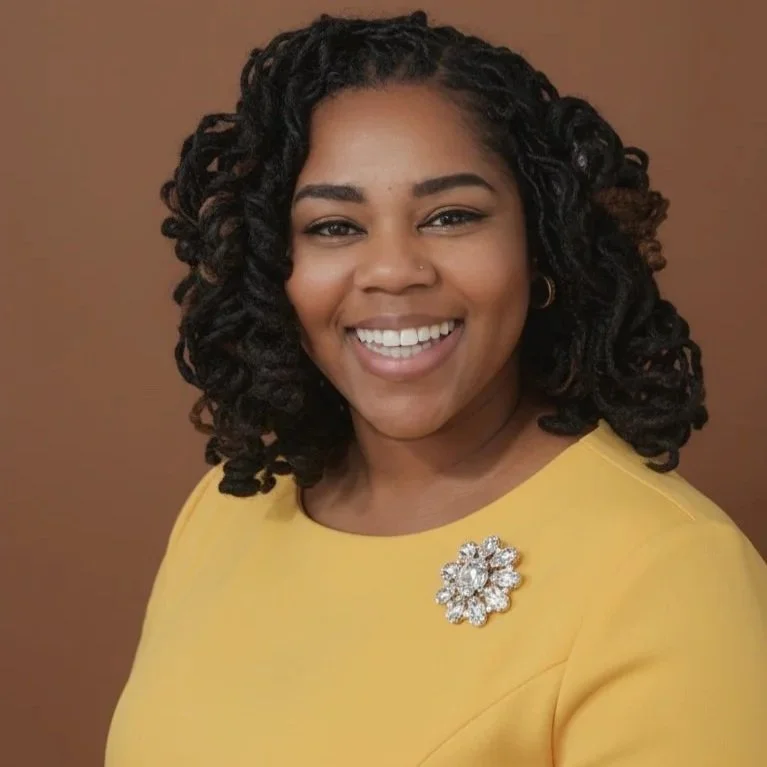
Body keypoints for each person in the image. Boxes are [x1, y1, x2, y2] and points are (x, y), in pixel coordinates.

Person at [105, 10, 767, 766]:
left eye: (450, 216)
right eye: (332, 226)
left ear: (540, 244)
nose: (393, 269)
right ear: (273, 265)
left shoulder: (670, 574)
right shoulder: (229, 507)